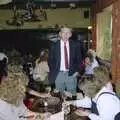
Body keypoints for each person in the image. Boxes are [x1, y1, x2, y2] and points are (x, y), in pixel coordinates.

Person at [48, 25, 82, 97]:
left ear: (70, 34)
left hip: (71, 74)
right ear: (60, 34)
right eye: (63, 32)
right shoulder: (54, 45)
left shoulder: (75, 45)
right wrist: (54, 72)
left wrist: (77, 71)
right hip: (59, 74)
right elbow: (50, 60)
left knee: (72, 95)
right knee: (59, 96)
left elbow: (79, 60)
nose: (65, 34)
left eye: (68, 33)